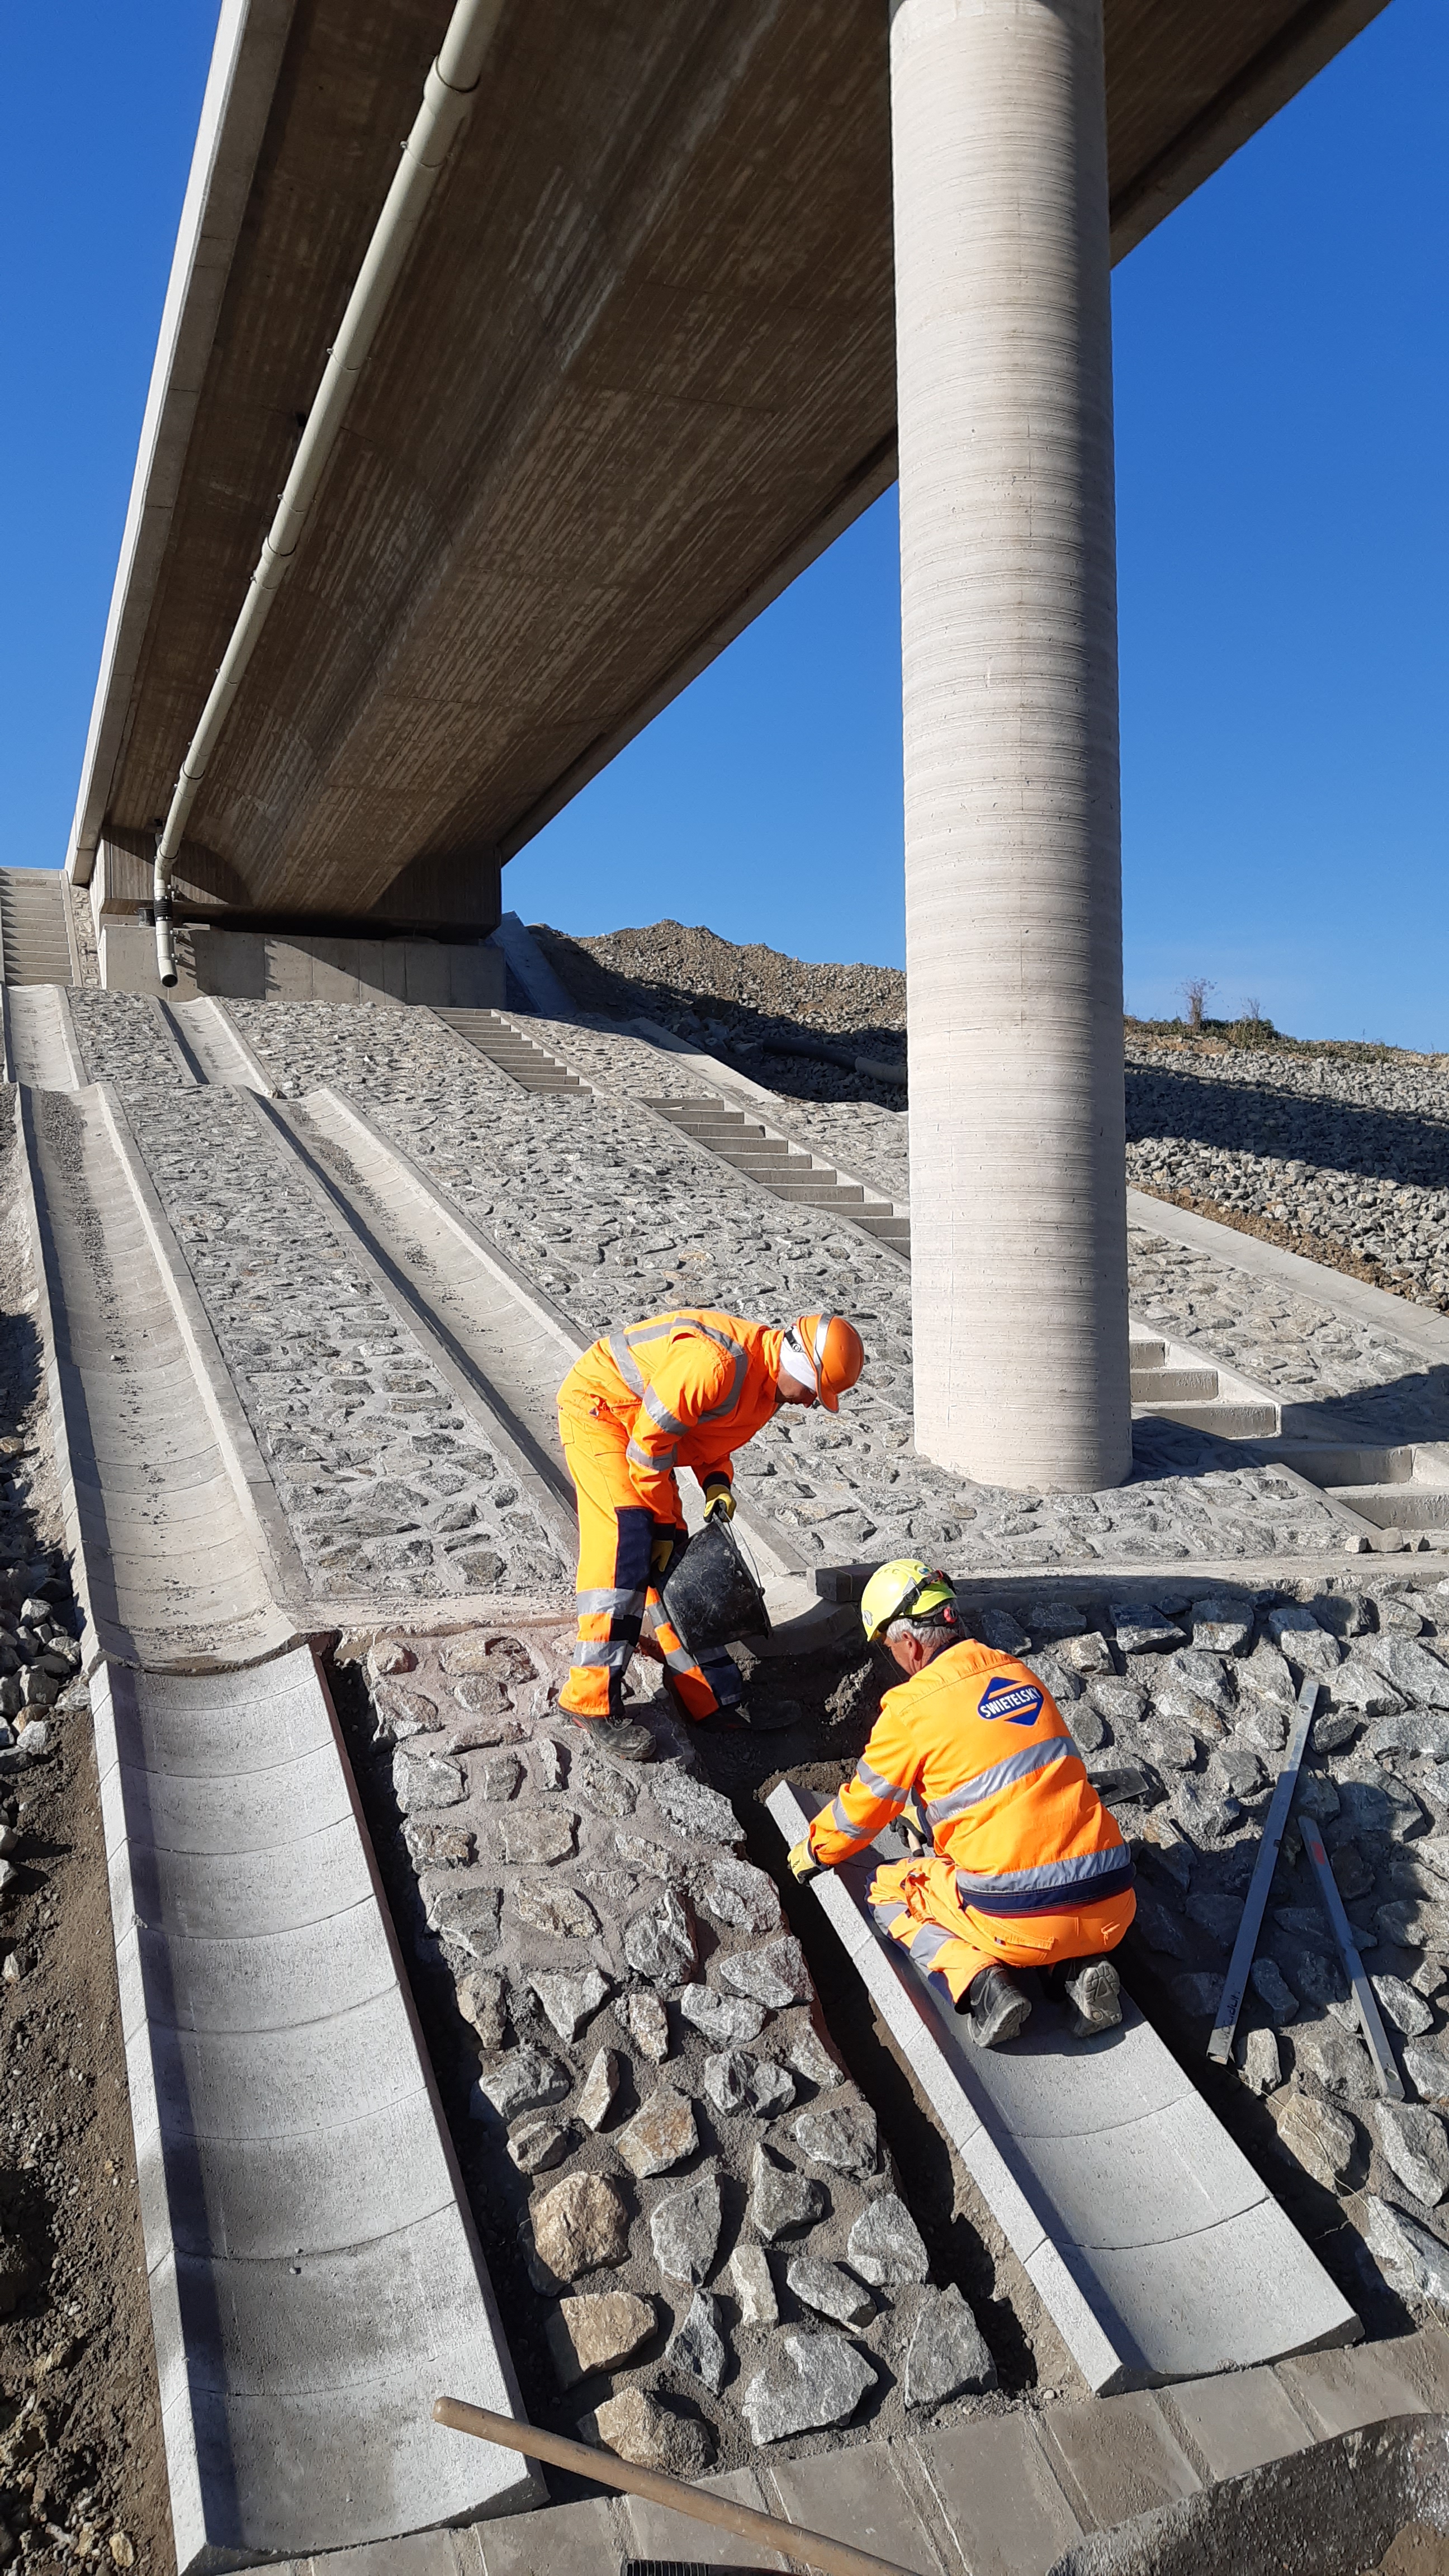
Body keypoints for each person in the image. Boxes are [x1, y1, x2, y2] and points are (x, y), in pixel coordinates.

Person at [788, 1560, 1134, 2047]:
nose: (894, 1659)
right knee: (1039, 1873)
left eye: (890, 1648)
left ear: (909, 1643)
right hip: (1113, 1903)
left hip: (1017, 1919)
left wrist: (814, 1850)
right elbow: (1008, 1786)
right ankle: (1077, 1970)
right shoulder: (1018, 1673)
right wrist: (930, 1817)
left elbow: (861, 1812)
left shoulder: (912, 1709)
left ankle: (983, 1986)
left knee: (887, 1890)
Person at [556, 1307, 865, 1759]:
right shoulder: (715, 1363)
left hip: (642, 1433)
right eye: (816, 1392)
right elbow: (647, 1446)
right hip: (601, 1412)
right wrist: (661, 1523)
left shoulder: (766, 1388)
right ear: (801, 1366)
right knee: (628, 1543)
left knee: (680, 1569)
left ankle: (711, 1697)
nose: (812, 1403)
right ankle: (590, 1698)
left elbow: (703, 1438)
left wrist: (716, 1484)